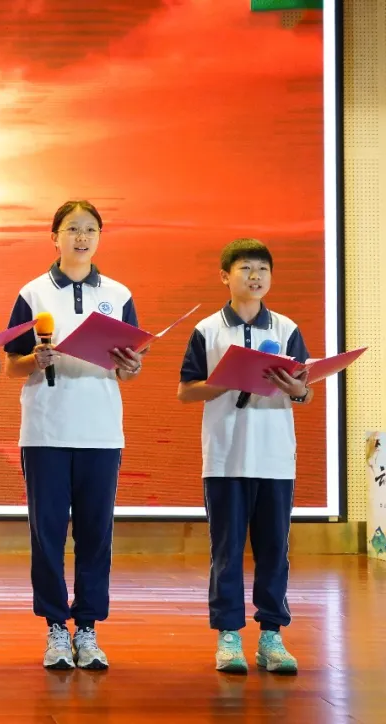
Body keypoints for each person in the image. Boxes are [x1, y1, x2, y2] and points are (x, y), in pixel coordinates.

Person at [3, 200, 143, 670]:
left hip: (101, 431)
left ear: (99, 237)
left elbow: (129, 370)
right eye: (72, 229)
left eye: (90, 230)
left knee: (95, 534)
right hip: (46, 430)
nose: (81, 237)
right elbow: (11, 365)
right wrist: (34, 360)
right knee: (47, 534)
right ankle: (55, 629)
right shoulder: (33, 293)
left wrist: (131, 365)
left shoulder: (119, 294)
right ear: (55, 237)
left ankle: (87, 627)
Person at [177, 238, 311, 675]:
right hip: (225, 457)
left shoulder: (286, 329)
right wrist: (228, 380)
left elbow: (305, 389)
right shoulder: (208, 330)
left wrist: (298, 389)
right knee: (227, 551)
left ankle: (272, 636)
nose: (255, 277)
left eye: (262, 270)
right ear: (225, 276)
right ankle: (229, 636)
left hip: (275, 456)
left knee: (274, 551)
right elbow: (186, 391)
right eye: (246, 269)